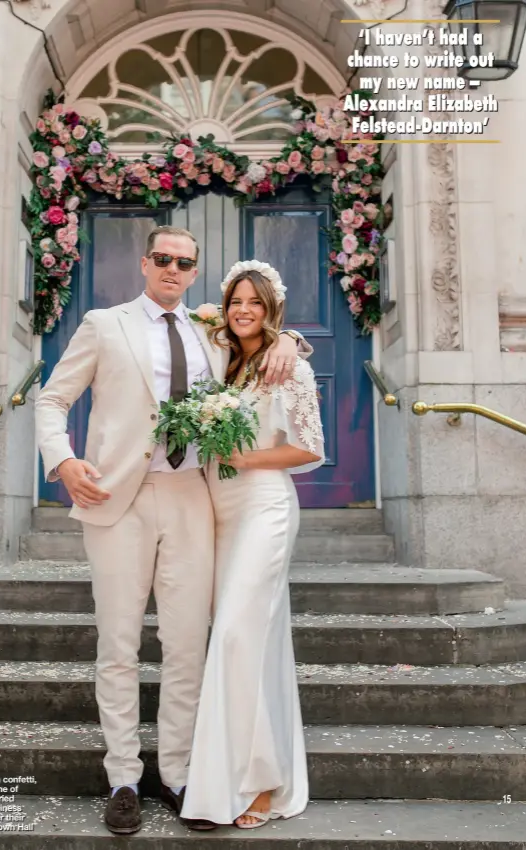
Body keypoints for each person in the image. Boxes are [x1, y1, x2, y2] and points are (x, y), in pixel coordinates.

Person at [35, 226, 308, 835]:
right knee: (120, 645)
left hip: (193, 500)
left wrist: (289, 337)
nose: (172, 269)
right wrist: (64, 459)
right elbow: (51, 400)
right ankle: (124, 777)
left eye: (185, 263)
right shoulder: (107, 325)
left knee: (187, 646)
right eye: (163, 259)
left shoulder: (210, 329)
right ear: (145, 263)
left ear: (192, 272)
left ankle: (180, 772)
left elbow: (255, 331)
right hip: (117, 499)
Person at [180, 260, 325, 829]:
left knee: (240, 631)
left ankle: (262, 782)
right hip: (220, 512)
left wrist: (243, 459)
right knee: (246, 641)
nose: (244, 311)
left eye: (256, 304)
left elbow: (309, 448)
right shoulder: (227, 362)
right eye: (237, 302)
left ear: (272, 310)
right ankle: (235, 770)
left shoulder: (286, 366)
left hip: (264, 505)